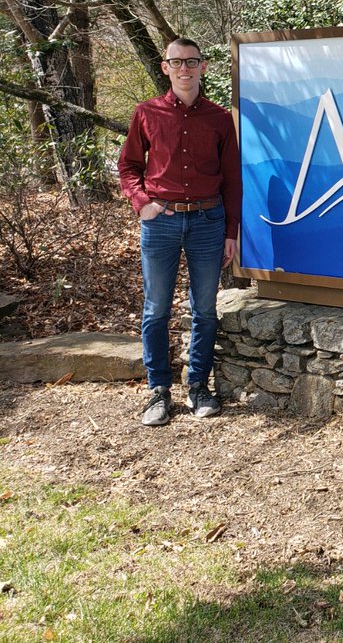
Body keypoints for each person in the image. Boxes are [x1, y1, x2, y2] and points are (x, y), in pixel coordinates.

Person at [118, 38, 241, 426]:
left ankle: (199, 387)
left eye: (192, 61)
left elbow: (232, 180)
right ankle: (158, 391)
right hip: (162, 222)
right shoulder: (147, 113)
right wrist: (144, 204)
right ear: (165, 67)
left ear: (202, 67)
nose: (185, 68)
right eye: (177, 62)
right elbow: (129, 167)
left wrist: (231, 231)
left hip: (208, 222)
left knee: (204, 310)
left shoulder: (220, 118)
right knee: (156, 310)